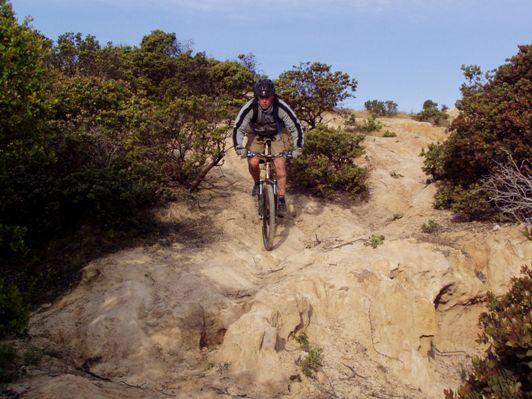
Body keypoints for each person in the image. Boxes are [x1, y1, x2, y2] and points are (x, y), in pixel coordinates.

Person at [233, 79, 304, 216]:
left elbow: (295, 126)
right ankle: (257, 183)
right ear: (257, 97)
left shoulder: (281, 107)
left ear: (272, 96)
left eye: (267, 97)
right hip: (256, 134)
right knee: (253, 161)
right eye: (261, 97)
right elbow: (238, 128)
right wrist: (239, 146)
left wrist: (298, 148)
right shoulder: (250, 107)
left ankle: (282, 199)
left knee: (280, 164)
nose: (264, 101)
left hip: (277, 134)